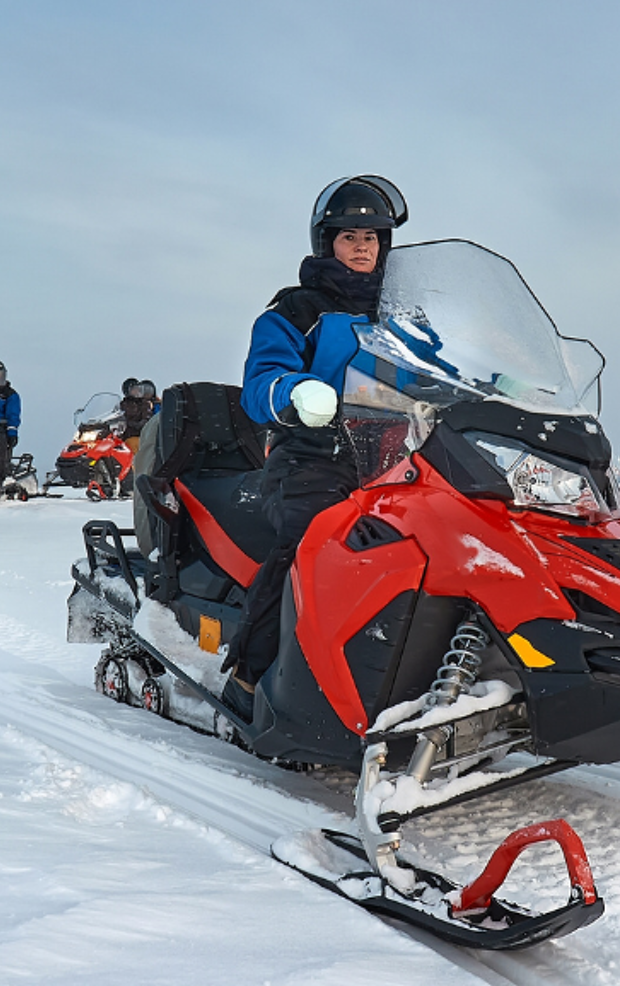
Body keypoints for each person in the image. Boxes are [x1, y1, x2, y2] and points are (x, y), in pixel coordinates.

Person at [220, 175, 408, 719]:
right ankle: (249, 676)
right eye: (350, 236)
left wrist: (508, 388)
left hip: (400, 456)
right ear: (327, 243)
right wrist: (296, 391)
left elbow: (451, 370)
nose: (362, 247)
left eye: (372, 237)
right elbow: (260, 384)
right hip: (314, 456)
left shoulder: (408, 318)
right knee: (312, 540)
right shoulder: (296, 311)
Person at [117, 377, 154, 454]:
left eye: (139, 389)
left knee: (132, 443)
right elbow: (115, 415)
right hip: (123, 436)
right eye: (134, 389)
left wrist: (137, 424)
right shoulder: (122, 404)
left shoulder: (144, 404)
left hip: (139, 436)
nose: (137, 391)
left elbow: (147, 418)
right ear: (128, 391)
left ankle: (136, 464)